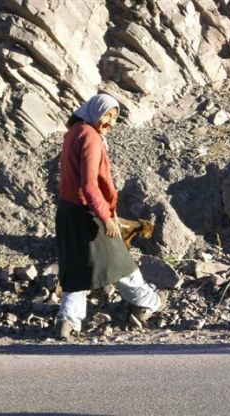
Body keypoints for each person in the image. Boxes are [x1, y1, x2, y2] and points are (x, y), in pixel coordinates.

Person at [54, 93, 165, 341]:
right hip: (89, 213)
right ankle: (148, 303)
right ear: (95, 111)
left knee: (76, 269)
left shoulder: (74, 131)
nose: (111, 123)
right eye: (107, 115)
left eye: (115, 117)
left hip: (68, 212)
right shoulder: (91, 138)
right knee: (119, 263)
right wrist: (105, 217)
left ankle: (67, 321)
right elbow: (89, 186)